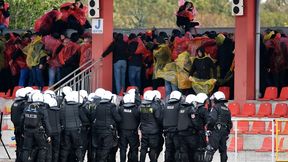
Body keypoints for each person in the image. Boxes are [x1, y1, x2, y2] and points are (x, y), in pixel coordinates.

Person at [90, 90, 121, 162]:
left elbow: (92, 117)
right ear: (110, 98)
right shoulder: (112, 106)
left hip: (98, 130)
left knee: (99, 148)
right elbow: (118, 119)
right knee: (106, 149)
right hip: (108, 131)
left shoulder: (97, 105)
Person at [21, 92, 52, 162]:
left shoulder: (27, 107)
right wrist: (49, 134)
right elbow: (46, 122)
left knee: (26, 149)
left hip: (27, 131)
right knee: (42, 148)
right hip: (38, 132)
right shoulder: (42, 108)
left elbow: (22, 120)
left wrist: (22, 131)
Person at [59, 91, 89, 162]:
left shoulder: (63, 108)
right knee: (78, 147)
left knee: (65, 148)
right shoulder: (78, 107)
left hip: (66, 130)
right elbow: (84, 119)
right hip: (76, 130)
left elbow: (60, 118)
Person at [205, 91, 232, 162]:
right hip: (224, 133)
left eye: (213, 100)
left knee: (210, 150)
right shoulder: (227, 109)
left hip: (216, 132)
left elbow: (212, 120)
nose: (212, 101)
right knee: (223, 152)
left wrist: (209, 129)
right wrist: (226, 132)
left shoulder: (216, 107)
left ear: (217, 99)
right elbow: (230, 123)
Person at [139, 90, 163, 162]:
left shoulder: (141, 106)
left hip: (144, 131)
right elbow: (159, 118)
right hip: (154, 132)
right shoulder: (155, 106)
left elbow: (138, 116)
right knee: (153, 149)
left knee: (143, 149)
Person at [11, 88, 32, 162]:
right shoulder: (24, 104)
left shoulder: (14, 103)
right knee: (24, 147)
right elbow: (24, 118)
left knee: (18, 146)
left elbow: (12, 117)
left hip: (16, 128)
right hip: (22, 129)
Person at [118, 93, 140, 162]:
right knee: (134, 149)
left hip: (123, 132)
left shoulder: (120, 109)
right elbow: (139, 119)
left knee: (123, 149)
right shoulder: (135, 110)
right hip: (132, 132)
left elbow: (118, 119)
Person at [177, 94, 199, 162]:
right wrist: (198, 129)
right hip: (190, 134)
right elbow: (195, 122)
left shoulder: (181, 108)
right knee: (193, 152)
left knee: (183, 151)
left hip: (181, 134)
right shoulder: (191, 109)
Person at [162, 90, 182, 162]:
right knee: (177, 149)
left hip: (167, 131)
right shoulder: (179, 105)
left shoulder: (165, 105)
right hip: (176, 131)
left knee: (168, 149)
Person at [44, 95, 61, 162]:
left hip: (49, 133)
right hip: (58, 132)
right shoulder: (59, 111)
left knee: (49, 151)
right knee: (56, 150)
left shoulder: (46, 111)